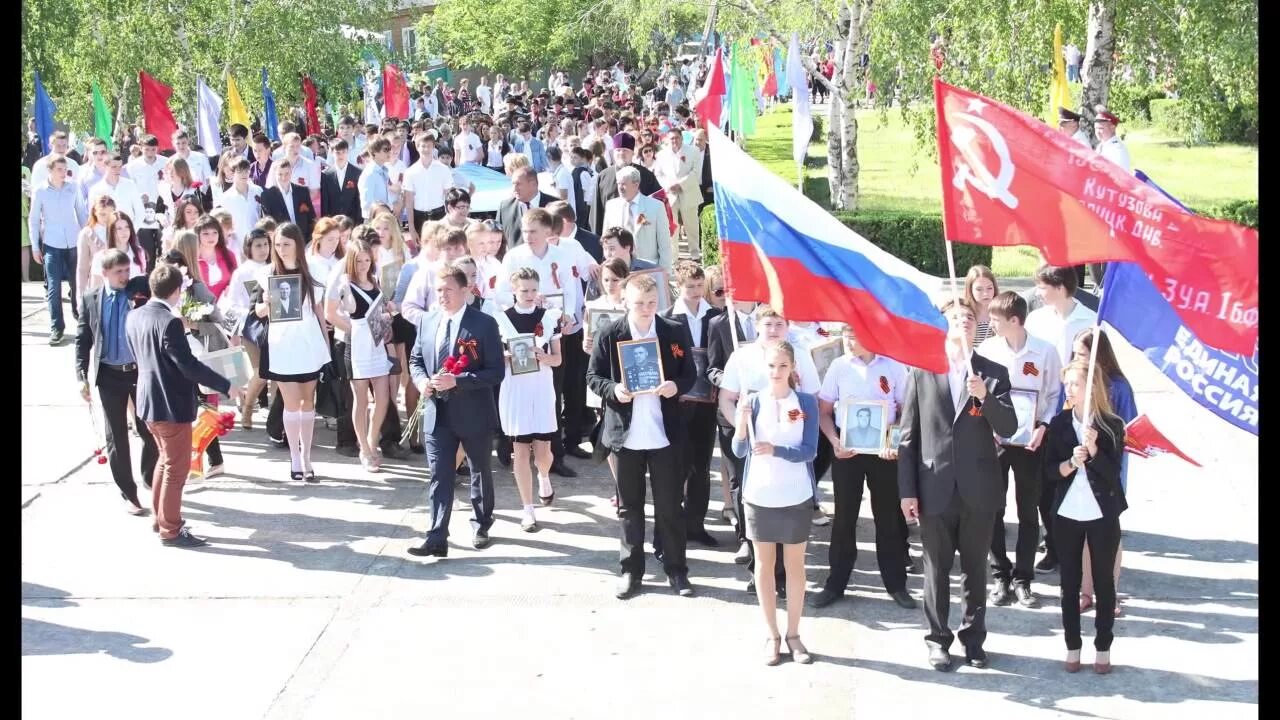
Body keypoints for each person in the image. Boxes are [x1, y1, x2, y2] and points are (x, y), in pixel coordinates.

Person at [898, 298, 1018, 672]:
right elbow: (908, 437)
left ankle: (974, 639)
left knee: (975, 570)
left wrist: (985, 396)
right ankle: (938, 640)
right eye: (956, 317)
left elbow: (1009, 427)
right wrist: (907, 491)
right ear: (944, 325)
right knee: (935, 569)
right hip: (934, 487)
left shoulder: (993, 372)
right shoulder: (921, 370)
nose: (963, 322)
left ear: (977, 324)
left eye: (969, 317)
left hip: (979, 488)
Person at [587, 271, 696, 598]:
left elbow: (690, 373)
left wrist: (675, 386)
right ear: (625, 301)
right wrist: (614, 389)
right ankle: (631, 572)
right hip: (626, 434)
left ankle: (677, 571)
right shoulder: (610, 334)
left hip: (665, 435)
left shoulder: (674, 332)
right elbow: (593, 376)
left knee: (670, 507)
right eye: (639, 303)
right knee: (629, 507)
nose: (646, 308)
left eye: (651, 302)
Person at [125, 263, 238, 547]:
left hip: (148, 401)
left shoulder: (135, 316)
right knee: (177, 468)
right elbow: (187, 366)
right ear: (177, 291)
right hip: (170, 405)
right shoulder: (170, 322)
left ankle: (160, 519)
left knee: (165, 461)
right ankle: (171, 530)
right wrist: (226, 384)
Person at [719, 305, 822, 590]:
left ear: (788, 327)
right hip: (752, 446)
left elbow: (811, 400)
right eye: (768, 324)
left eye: (779, 324)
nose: (774, 330)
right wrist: (742, 427)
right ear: (757, 326)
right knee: (753, 506)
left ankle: (783, 577)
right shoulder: (741, 357)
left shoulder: (800, 356)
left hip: (789, 447)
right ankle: (759, 571)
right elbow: (727, 398)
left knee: (788, 512)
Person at [811, 324, 914, 609]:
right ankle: (836, 583)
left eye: (854, 336)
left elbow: (906, 410)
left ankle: (896, 584)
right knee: (844, 518)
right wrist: (834, 442)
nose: (848, 341)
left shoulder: (892, 366)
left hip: (884, 453)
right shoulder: (838, 367)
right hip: (847, 453)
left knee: (888, 519)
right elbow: (824, 412)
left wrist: (893, 443)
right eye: (845, 336)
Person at [407, 265, 506, 557]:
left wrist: (458, 380)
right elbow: (415, 359)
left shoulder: (484, 324)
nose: (442, 296)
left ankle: (481, 522)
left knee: (479, 470)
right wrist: (423, 381)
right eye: (438, 290)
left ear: (465, 291)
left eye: (448, 290)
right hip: (437, 412)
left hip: (473, 411)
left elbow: (496, 372)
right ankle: (437, 535)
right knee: (439, 474)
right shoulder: (427, 321)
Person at [732, 341, 819, 665]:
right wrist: (741, 421)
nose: (776, 371)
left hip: (795, 495)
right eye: (771, 366)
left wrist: (776, 449)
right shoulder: (753, 401)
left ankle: (794, 634)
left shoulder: (806, 402)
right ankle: (772, 636)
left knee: (795, 566)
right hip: (759, 495)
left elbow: (809, 451)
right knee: (764, 567)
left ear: (792, 367)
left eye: (783, 366)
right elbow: (739, 451)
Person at [977, 291, 1062, 609]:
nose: (991, 324)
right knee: (994, 509)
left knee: (1028, 511)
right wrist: (988, 427)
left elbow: (1054, 394)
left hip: (1030, 442)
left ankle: (1024, 579)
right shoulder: (987, 349)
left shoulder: (1044, 351)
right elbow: (979, 395)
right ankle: (1000, 574)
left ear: (1015, 320)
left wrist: (1044, 426)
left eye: (996, 319)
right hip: (996, 441)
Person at [1043, 358, 1127, 674]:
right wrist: (1070, 464)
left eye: (1076, 383)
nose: (1070, 388)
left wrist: (1093, 450)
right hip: (1066, 513)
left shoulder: (1111, 425)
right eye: (1068, 383)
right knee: (1069, 583)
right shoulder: (1060, 424)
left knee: (1104, 583)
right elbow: (1049, 472)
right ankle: (1072, 646)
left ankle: (1103, 647)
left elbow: (1112, 474)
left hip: (1102, 513)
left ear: (1092, 388)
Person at [75, 249, 157, 516]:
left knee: (149, 429)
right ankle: (129, 493)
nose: (124, 276)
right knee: (116, 436)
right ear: (105, 273)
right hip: (108, 374)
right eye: (118, 272)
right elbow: (83, 340)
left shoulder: (139, 290)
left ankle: (150, 476)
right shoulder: (91, 299)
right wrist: (81, 376)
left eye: (126, 270)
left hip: (138, 371)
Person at [252, 222, 331, 482]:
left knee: (308, 403)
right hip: (282, 344)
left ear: (298, 244)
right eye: (278, 244)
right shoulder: (267, 274)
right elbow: (259, 313)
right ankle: (294, 458)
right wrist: (266, 303)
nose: (282, 249)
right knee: (290, 402)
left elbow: (319, 311)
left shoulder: (315, 270)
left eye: (286, 244)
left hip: (308, 342)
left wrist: (326, 350)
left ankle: (307, 456)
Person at [1071, 328, 1137, 618]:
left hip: (1109, 469)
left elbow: (1132, 429)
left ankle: (1108, 593)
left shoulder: (1119, 386)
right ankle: (1085, 592)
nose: (1077, 359)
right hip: (1079, 466)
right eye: (1075, 354)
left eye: (1083, 354)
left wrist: (1103, 439)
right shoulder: (1075, 383)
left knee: (1108, 534)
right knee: (1084, 532)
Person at [660, 261, 722, 548]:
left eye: (700, 286)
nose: (696, 292)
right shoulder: (667, 319)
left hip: (707, 402)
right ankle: (675, 524)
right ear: (678, 286)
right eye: (690, 287)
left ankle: (696, 524)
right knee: (677, 464)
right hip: (678, 401)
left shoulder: (716, 317)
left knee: (701, 464)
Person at [499, 268, 563, 531]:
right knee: (520, 450)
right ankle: (527, 509)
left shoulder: (549, 317)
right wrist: (509, 356)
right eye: (523, 290)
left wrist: (542, 356)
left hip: (541, 387)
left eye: (533, 289)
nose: (528, 294)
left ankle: (544, 476)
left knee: (543, 451)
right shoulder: (500, 319)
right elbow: (494, 358)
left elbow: (558, 359)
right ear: (513, 289)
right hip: (515, 389)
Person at [325, 237, 394, 473]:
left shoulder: (375, 281)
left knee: (383, 397)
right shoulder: (347, 284)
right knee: (361, 399)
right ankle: (364, 448)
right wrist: (354, 329)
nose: (363, 264)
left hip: (377, 343)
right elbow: (340, 312)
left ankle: (373, 441)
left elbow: (381, 310)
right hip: (357, 346)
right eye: (359, 260)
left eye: (367, 259)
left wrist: (387, 324)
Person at [30, 154, 88, 343]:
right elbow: (33, 220)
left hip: (72, 242)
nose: (64, 173)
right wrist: (35, 246)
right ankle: (57, 327)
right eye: (59, 170)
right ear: (50, 171)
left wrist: (88, 237)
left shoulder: (73, 188)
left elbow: (81, 212)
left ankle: (79, 316)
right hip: (51, 244)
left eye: (65, 170)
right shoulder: (40, 191)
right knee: (54, 288)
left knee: (76, 284)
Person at [219, 228, 272, 429]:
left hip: (274, 327)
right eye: (258, 245)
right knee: (261, 373)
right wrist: (248, 316)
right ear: (249, 248)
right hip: (251, 328)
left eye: (266, 244)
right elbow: (231, 303)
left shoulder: (274, 267)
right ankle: (248, 407)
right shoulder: (242, 272)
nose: (263, 249)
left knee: (276, 375)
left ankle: (276, 419)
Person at [589, 132, 661, 235]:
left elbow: (658, 203)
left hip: (640, 233)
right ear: (613, 153)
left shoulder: (646, 176)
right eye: (618, 150)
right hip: (611, 235)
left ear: (633, 153)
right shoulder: (603, 177)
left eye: (626, 151)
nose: (621, 154)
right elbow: (596, 212)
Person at [1089, 108, 1129, 287]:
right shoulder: (1102, 147)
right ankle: (1100, 286)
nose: (1098, 130)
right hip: (1098, 206)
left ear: (1112, 127)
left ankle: (1105, 287)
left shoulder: (1117, 150)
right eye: (1096, 126)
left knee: (1106, 252)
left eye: (1102, 126)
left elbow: (1117, 181)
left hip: (1110, 207)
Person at [654, 127, 703, 261]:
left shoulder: (694, 151)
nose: (674, 141)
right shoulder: (661, 155)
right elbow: (658, 173)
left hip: (689, 192)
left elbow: (696, 173)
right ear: (668, 140)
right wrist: (668, 186)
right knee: (672, 227)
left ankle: (695, 254)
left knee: (692, 225)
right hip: (670, 194)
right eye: (672, 138)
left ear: (681, 138)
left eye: (677, 138)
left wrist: (681, 185)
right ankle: (674, 256)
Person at [496, 166, 559, 251]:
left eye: (518, 184)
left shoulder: (555, 206)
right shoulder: (505, 208)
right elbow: (498, 239)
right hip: (517, 262)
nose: (514, 188)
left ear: (533, 184)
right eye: (513, 184)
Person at [260, 160, 317, 244]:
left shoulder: (302, 191)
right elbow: (268, 225)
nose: (284, 178)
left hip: (303, 240)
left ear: (291, 173)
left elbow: (311, 217)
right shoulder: (267, 196)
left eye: (287, 173)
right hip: (282, 242)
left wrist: (310, 239)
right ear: (275, 175)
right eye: (280, 174)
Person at [320, 139, 363, 224]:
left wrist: (358, 222)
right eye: (338, 152)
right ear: (332, 153)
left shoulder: (357, 172)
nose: (341, 155)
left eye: (344, 152)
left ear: (348, 152)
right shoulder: (325, 174)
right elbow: (325, 202)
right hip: (334, 221)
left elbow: (359, 200)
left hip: (352, 220)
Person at [965, 265, 998, 346]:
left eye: (989, 288)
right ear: (970, 289)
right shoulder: (964, 314)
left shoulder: (1002, 312)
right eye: (979, 289)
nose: (985, 293)